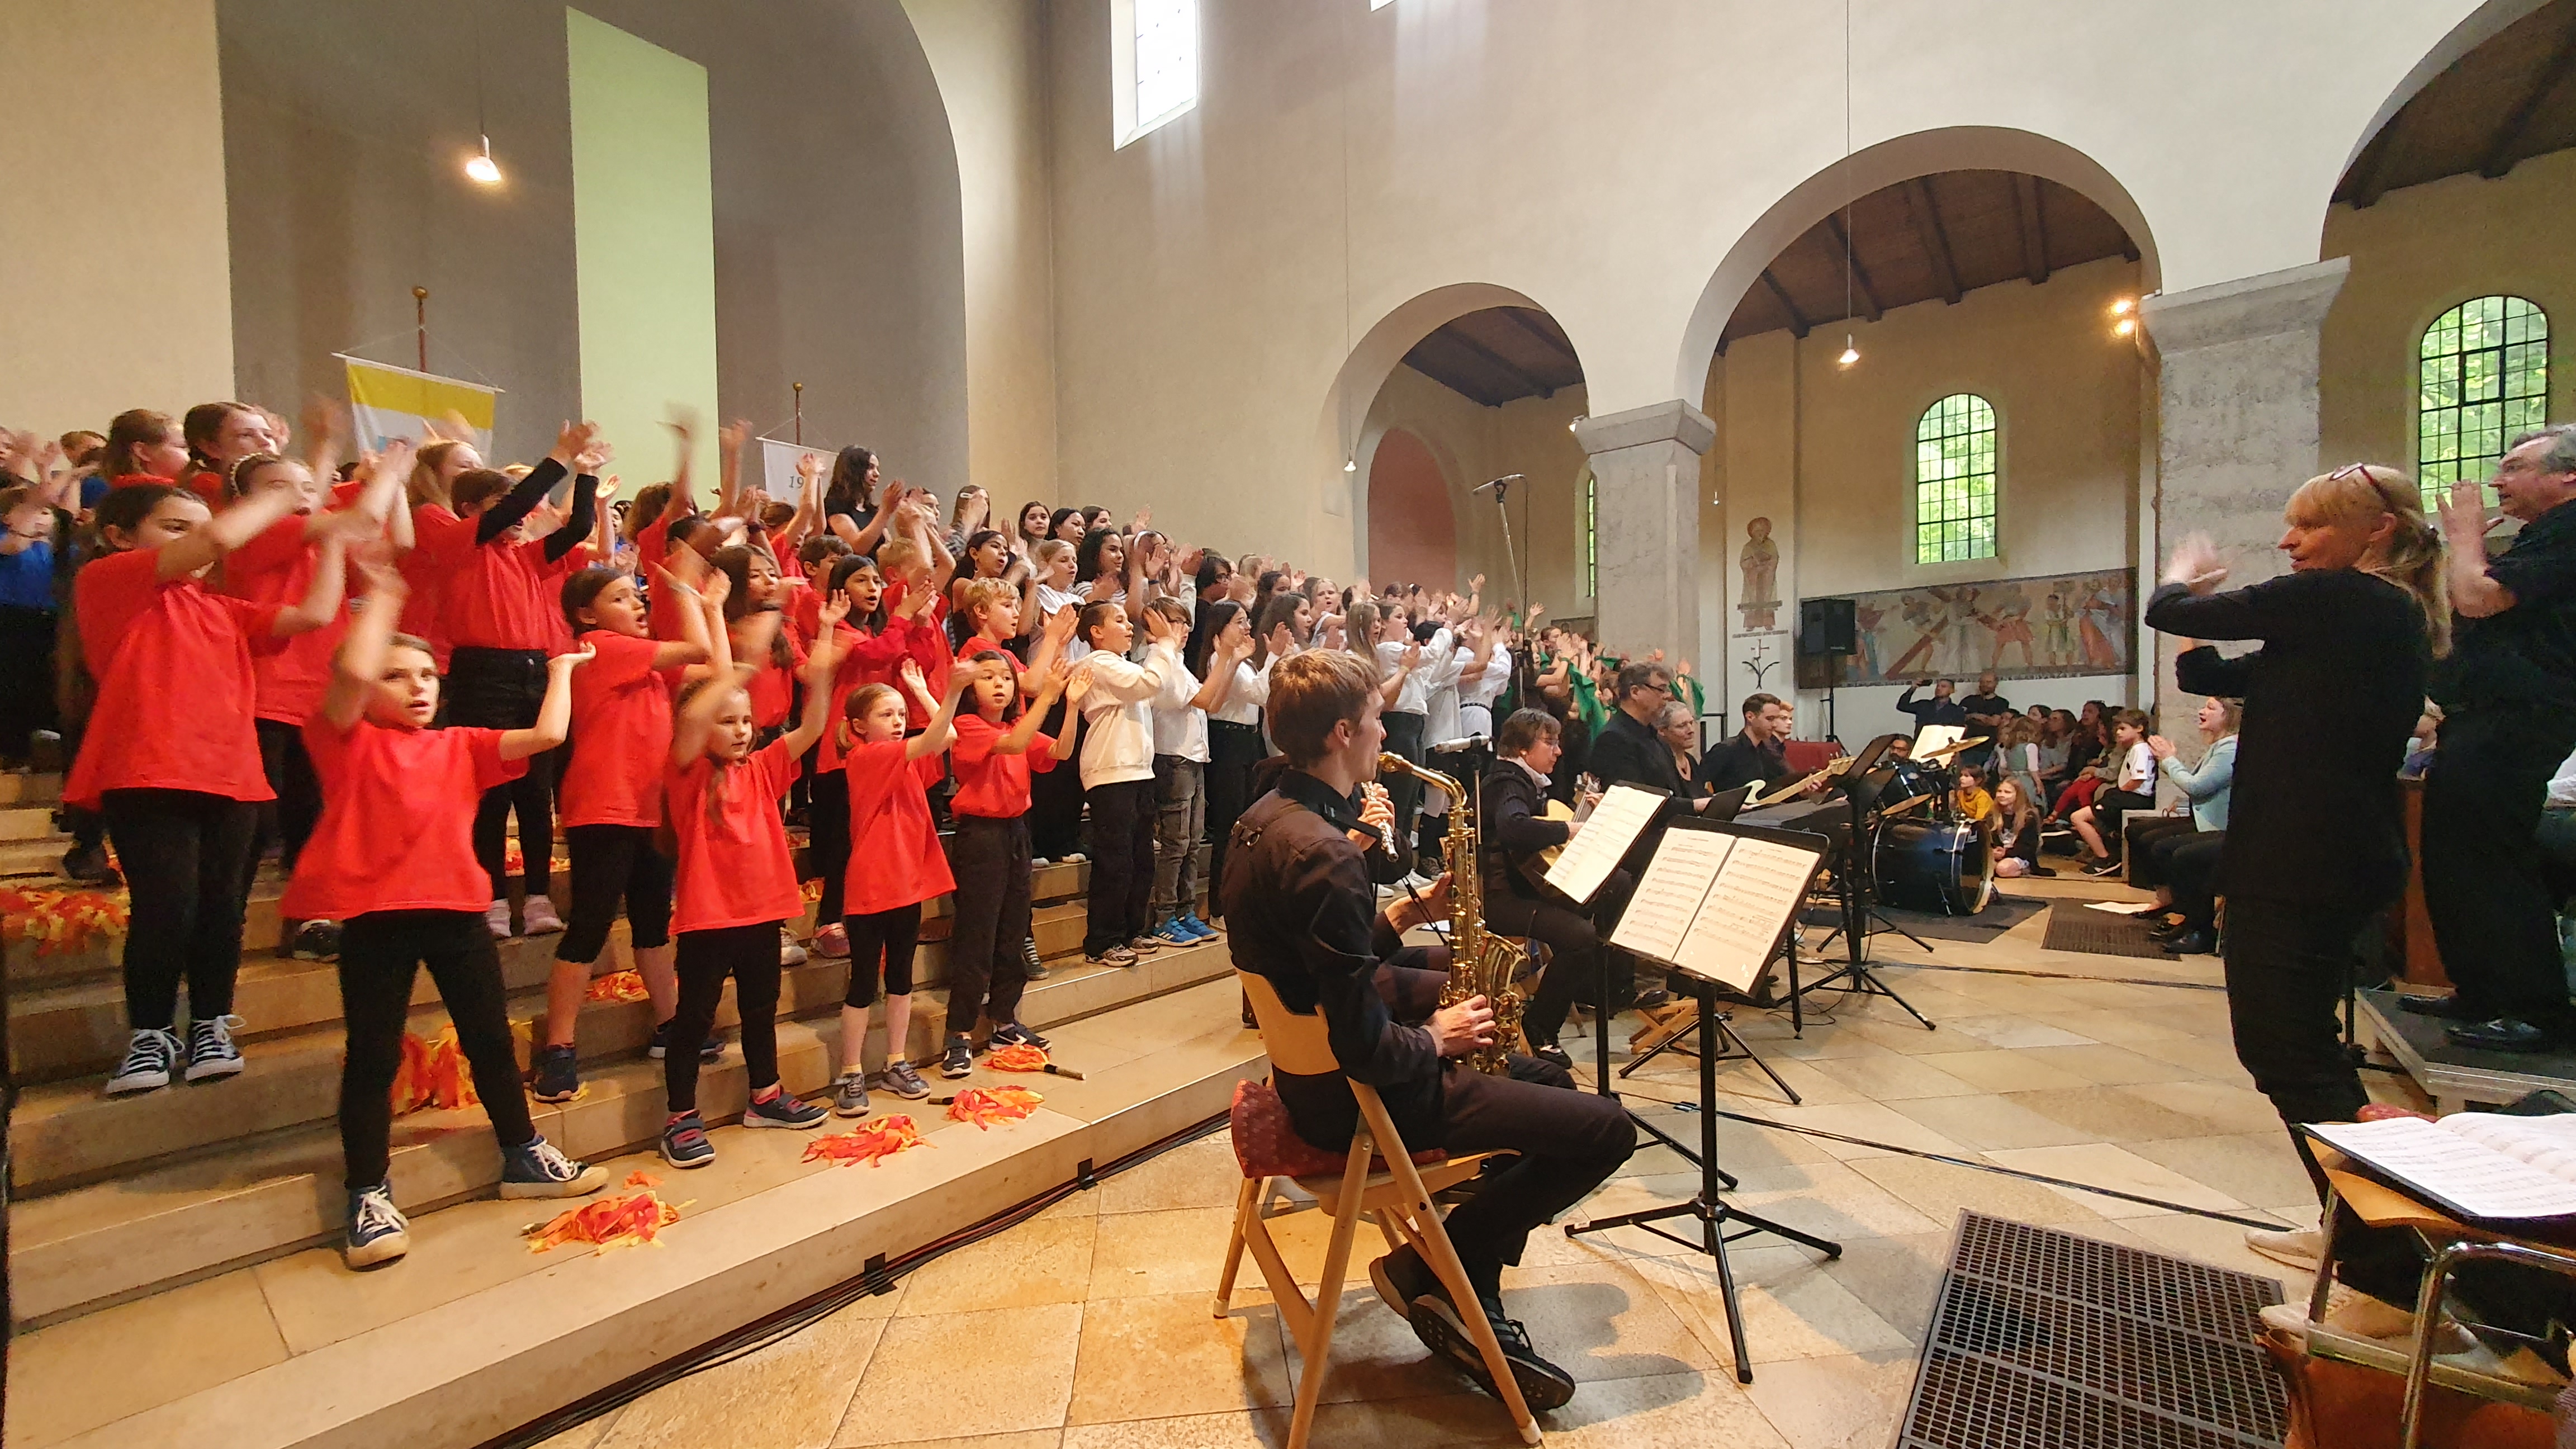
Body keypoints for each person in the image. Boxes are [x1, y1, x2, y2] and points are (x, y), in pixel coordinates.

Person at [1221, 650, 1635, 1411]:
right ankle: (1446, 1264)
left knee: (1545, 1077)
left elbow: (1315, 972)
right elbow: (1368, 1049)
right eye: (1376, 719)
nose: (1385, 732)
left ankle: (1466, 1274)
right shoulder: (1324, 853)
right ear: (1344, 732)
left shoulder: (1263, 819)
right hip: (1354, 1101)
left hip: (1308, 1079)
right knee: (1608, 1130)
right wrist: (1438, 1038)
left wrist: (1409, 913)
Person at [2142, 462, 2441, 1280]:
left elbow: (2168, 611)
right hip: (2321, 853)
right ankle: (2354, 1226)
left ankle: (2384, 1271)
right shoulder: (2365, 617)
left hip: (2306, 858)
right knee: (2302, 1048)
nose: (2288, 542)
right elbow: (2205, 673)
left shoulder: (2344, 599)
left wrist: (2180, 579)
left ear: (2377, 529)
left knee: (2288, 1053)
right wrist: (2191, 618)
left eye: (2309, 526)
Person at [290, 554, 607, 1265]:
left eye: (428, 676)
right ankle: (367, 1191)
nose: (419, 687)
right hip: (378, 918)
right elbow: (347, 678)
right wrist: (386, 598)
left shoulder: (460, 744)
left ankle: (522, 1152)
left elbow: (548, 738)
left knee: (490, 1040)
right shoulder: (345, 741)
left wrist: (560, 671)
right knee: (374, 1056)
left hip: (458, 913)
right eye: (398, 676)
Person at [73, 481, 362, 1094]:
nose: (197, 541)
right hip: (147, 771)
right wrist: (285, 495)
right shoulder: (112, 580)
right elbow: (219, 537)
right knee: (165, 907)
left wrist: (334, 539)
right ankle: (151, 1033)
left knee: (221, 908)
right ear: (119, 536)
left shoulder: (223, 608)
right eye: (174, 526)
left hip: (231, 776)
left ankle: (210, 1022)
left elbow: (313, 615)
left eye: (194, 526)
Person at [655, 610, 846, 1168]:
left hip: (762, 913)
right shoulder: (686, 772)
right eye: (728, 721)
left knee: (761, 1009)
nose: (741, 730)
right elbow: (692, 719)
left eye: (745, 721)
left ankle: (765, 1096)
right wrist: (737, 669)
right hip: (710, 917)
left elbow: (812, 729)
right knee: (695, 1018)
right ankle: (680, 1117)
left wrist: (823, 676)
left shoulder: (762, 767)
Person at [528, 559, 717, 1105]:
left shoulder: (647, 666)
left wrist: (707, 607)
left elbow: (715, 669)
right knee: (589, 928)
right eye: (621, 597)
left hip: (651, 810)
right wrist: (684, 593)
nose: (637, 603)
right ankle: (559, 1047)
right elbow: (698, 650)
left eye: (638, 595)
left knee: (653, 924)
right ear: (586, 615)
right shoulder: (599, 647)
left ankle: (670, 1025)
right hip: (604, 808)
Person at [2413, 425, 2576, 1052]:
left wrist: (2464, 536)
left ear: (2568, 475)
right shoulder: (2538, 536)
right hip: (2482, 716)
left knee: (2493, 857)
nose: (2497, 480)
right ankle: (2480, 989)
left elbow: (2478, 598)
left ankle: (2535, 1008)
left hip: (2521, 716)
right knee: (2454, 856)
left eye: (2514, 467)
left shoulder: (2570, 530)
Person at [411, 423, 607, 938]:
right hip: (483, 676)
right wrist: (558, 455)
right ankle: (493, 898)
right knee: (492, 796)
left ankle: (538, 896)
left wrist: (585, 475)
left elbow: (577, 528)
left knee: (536, 795)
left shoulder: (522, 557)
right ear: (471, 510)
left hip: (532, 672)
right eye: (504, 505)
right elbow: (513, 507)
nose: (521, 517)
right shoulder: (459, 545)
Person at [826, 662, 972, 1115]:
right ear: (858, 726)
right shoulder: (868, 757)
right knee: (863, 982)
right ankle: (851, 1070)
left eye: (901, 714)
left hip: (906, 883)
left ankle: (895, 1061)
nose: (897, 721)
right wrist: (951, 692)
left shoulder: (905, 758)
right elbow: (935, 737)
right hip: (873, 884)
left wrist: (921, 691)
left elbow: (947, 737)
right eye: (886, 715)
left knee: (902, 978)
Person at [939, 651, 1083, 1078]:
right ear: (972, 688)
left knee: (1014, 929)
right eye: (988, 677)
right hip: (981, 836)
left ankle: (1004, 1020)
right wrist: (1047, 698)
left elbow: (1060, 751)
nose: (1000, 684)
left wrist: (1071, 706)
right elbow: (1017, 744)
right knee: (977, 935)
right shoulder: (969, 726)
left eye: (1005, 677)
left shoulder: (1014, 725)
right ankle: (959, 1032)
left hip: (1017, 831)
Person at [1480, 708, 1639, 1067]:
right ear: (1522, 748)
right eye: (1549, 743)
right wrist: (1570, 830)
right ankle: (1541, 1027)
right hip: (1501, 897)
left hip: (1526, 888)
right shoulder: (1506, 782)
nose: (1558, 751)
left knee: (1616, 883)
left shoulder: (1525, 781)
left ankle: (1605, 983)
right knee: (1581, 937)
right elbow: (1514, 828)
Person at [1073, 599, 1171, 965]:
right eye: (1119, 620)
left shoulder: (1121, 664)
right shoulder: (1098, 662)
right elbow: (1149, 682)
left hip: (1138, 770)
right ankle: (1102, 941)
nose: (1129, 626)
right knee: (1114, 861)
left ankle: (1132, 930)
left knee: (1141, 858)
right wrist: (1164, 645)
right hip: (1111, 769)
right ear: (1096, 632)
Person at [1149, 596, 1244, 945]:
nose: (1185, 629)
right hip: (1172, 756)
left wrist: (1231, 660)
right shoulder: (1159, 660)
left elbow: (1212, 704)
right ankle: (1164, 916)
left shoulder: (1178, 661)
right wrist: (1225, 657)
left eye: (1187, 622)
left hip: (1192, 756)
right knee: (1176, 843)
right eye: (1176, 622)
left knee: (1192, 842)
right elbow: (1202, 699)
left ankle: (1185, 911)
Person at [2126, 699, 2239, 954]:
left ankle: (2199, 929)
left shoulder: (2230, 748)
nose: (2201, 711)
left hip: (2218, 826)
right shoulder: (2220, 745)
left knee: (2179, 853)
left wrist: (2169, 760)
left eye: (2211, 708)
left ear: (2229, 715)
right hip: (2206, 820)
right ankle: (2176, 908)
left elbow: (2197, 787)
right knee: (2145, 835)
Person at [2067, 709, 2154, 875]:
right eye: (2117, 729)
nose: (2118, 733)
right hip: (2129, 795)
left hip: (2134, 797)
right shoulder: (2136, 749)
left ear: (2139, 728)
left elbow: (2138, 778)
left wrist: (2121, 791)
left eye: (2123, 729)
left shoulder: (2140, 750)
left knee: (2078, 817)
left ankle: (2104, 858)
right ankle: (2109, 852)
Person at [1698, 692, 1803, 795]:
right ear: (1750, 717)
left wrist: (1801, 792)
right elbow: (1697, 784)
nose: (1775, 725)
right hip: (1735, 806)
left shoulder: (1770, 751)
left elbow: (1780, 784)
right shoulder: (1727, 749)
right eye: (1770, 719)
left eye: (1776, 719)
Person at [1987, 776, 2045, 877]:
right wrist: (1992, 851)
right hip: (1998, 855)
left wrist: (2006, 853)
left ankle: (2024, 869)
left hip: (2020, 856)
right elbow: (1987, 839)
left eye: (2007, 792)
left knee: (2003, 869)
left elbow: (2028, 847)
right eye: (1999, 791)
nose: (2002, 795)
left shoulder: (2028, 817)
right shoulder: (1992, 815)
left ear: (2018, 795)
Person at [1957, 670, 2012, 769]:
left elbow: (1994, 722)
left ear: (1996, 683)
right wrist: (1977, 716)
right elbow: (1958, 718)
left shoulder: (2001, 703)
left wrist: (1970, 718)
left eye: (1989, 682)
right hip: (1966, 747)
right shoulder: (1969, 700)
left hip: (1987, 748)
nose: (1985, 685)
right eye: (1982, 682)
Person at [1896, 677, 1966, 732]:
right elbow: (1902, 706)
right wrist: (1912, 689)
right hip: (1921, 742)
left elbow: (1957, 731)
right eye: (1938, 686)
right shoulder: (1923, 705)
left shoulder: (1957, 710)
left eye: (1943, 686)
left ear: (1952, 691)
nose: (1939, 688)